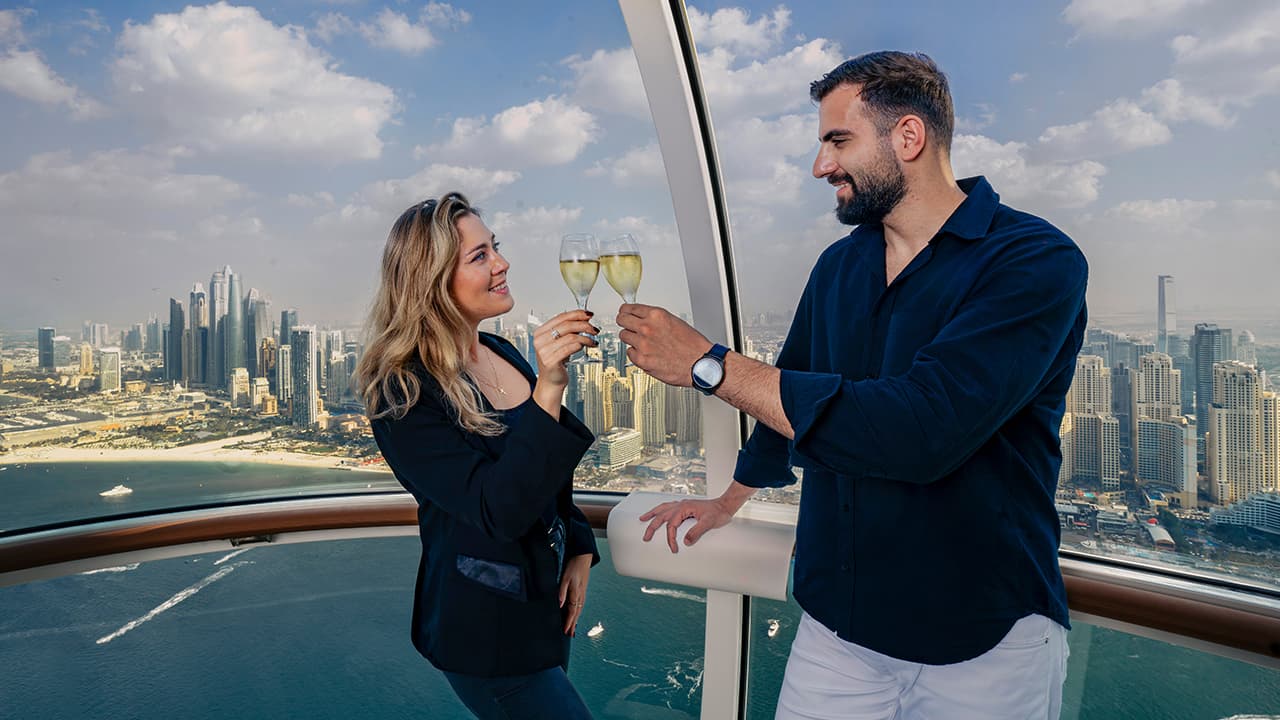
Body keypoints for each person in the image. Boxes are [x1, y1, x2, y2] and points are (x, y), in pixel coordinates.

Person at [618, 52, 1087, 719]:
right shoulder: (839, 266)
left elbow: (922, 430)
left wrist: (708, 363)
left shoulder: (1034, 262)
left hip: (985, 638)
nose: (821, 166)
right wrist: (729, 500)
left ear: (908, 137)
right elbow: (788, 389)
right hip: (837, 630)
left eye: (838, 141)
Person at [355, 192, 601, 720]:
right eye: (479, 256)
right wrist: (549, 387)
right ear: (432, 281)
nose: (502, 263)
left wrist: (579, 543)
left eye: (495, 247)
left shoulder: (500, 351)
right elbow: (498, 509)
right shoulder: (402, 392)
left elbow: (547, 474)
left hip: (546, 609)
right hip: (487, 633)